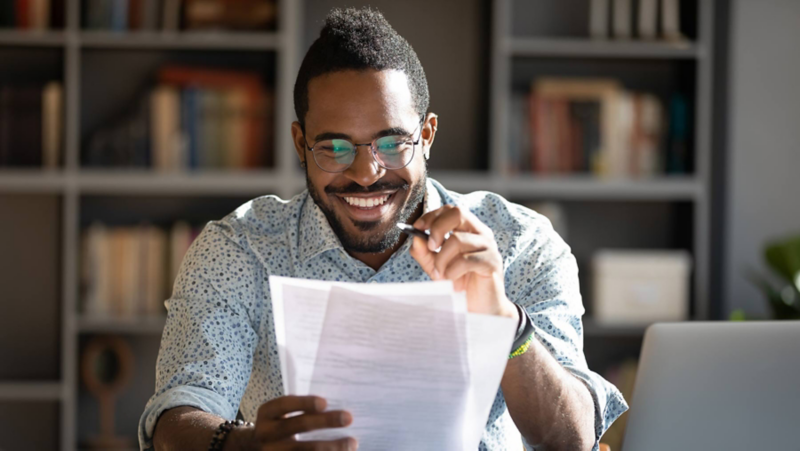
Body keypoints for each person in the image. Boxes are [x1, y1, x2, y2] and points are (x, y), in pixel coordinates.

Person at [139, 7, 627, 451]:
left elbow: (574, 439)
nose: (367, 173)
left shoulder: (520, 244)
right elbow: (175, 419)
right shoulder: (240, 250)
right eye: (334, 148)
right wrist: (245, 447)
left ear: (428, 135)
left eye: (392, 143)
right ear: (299, 143)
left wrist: (503, 321)